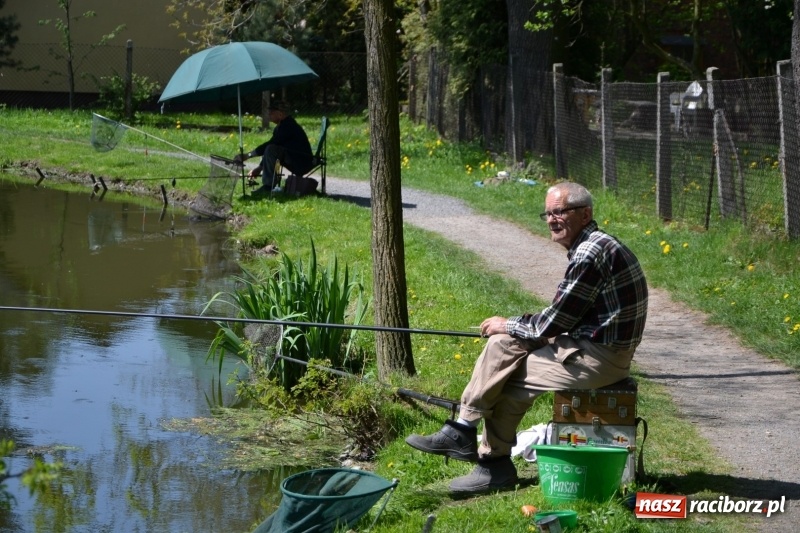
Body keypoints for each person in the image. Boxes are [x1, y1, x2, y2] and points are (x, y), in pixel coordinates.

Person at [405, 181, 649, 494]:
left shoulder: (590, 254)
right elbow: (562, 318)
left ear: (585, 214)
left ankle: (493, 466)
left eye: (560, 212)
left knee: (510, 378)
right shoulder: (595, 244)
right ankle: (462, 429)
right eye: (547, 213)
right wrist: (509, 329)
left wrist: (509, 322)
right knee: (503, 343)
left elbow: (556, 321)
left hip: (602, 356)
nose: (551, 220)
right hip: (587, 342)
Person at [233, 100, 313, 195]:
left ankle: (268, 187)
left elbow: (270, 146)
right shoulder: (281, 126)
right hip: (294, 158)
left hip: (301, 162)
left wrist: (248, 155)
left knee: (271, 149)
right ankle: (269, 186)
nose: (269, 114)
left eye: (271, 112)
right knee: (271, 148)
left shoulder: (288, 126)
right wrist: (259, 168)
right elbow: (271, 146)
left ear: (280, 114)